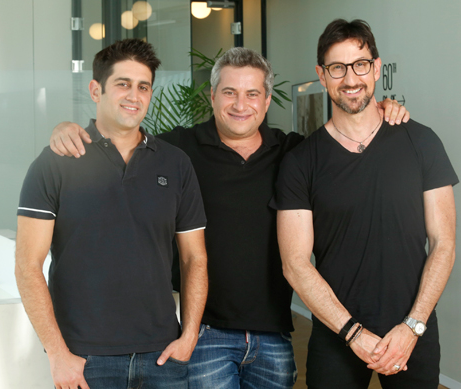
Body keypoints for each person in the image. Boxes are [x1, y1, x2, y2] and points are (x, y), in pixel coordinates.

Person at [49, 47, 409, 388]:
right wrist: (70, 129)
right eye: (229, 92)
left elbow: (347, 141)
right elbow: (120, 138)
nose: (241, 105)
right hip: (205, 334)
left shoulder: (293, 152)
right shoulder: (176, 151)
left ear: (267, 101)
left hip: (274, 335)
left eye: (253, 94)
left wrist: (384, 110)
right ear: (212, 96)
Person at [272, 19, 458, 389]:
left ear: (376, 67)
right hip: (335, 332)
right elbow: (294, 264)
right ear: (321, 76)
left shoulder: (421, 142)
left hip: (412, 330)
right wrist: (353, 333)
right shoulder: (301, 162)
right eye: (337, 68)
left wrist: (412, 325)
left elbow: (444, 243)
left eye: (359, 64)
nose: (350, 78)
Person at [15, 38, 208, 389]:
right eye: (123, 84)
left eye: (143, 87)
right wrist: (58, 354)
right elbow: (27, 265)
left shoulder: (176, 163)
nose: (134, 96)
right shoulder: (55, 162)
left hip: (163, 354)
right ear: (95, 90)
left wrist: (190, 333)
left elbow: (195, 258)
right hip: (85, 359)